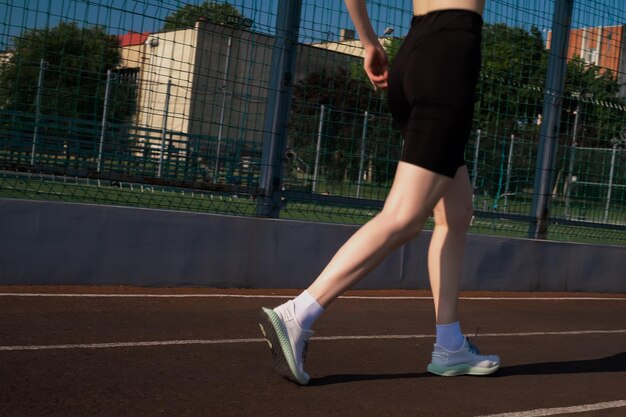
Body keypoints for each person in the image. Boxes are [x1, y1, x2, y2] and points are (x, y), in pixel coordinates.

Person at [258, 0, 500, 385]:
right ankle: (298, 312)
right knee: (403, 216)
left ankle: (450, 344)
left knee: (455, 211)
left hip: (412, 56)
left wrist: (369, 42)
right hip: (451, 57)